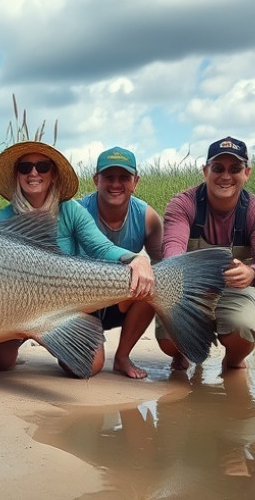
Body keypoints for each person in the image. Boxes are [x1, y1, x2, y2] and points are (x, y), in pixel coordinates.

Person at [0, 141, 155, 376]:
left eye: (42, 166)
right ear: (17, 175)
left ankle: (56, 339)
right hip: (19, 307)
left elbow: (100, 246)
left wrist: (135, 259)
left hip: (65, 305)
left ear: (53, 175)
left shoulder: (71, 210)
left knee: (88, 367)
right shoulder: (2, 218)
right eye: (25, 167)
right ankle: (36, 336)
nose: (34, 173)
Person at [157, 136, 255, 370]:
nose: (226, 176)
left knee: (243, 330)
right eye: (218, 168)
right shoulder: (183, 204)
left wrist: (252, 273)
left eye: (235, 169)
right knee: (167, 341)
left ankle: (232, 362)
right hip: (187, 287)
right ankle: (182, 355)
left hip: (234, 290)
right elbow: (173, 250)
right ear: (205, 171)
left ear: (247, 173)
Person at [77, 147, 163, 379]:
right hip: (80, 301)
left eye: (124, 178)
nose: (116, 184)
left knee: (156, 284)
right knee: (85, 368)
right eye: (108, 177)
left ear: (135, 181)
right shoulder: (78, 212)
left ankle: (123, 357)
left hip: (121, 300)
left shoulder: (148, 217)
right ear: (96, 180)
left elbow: (165, 266)